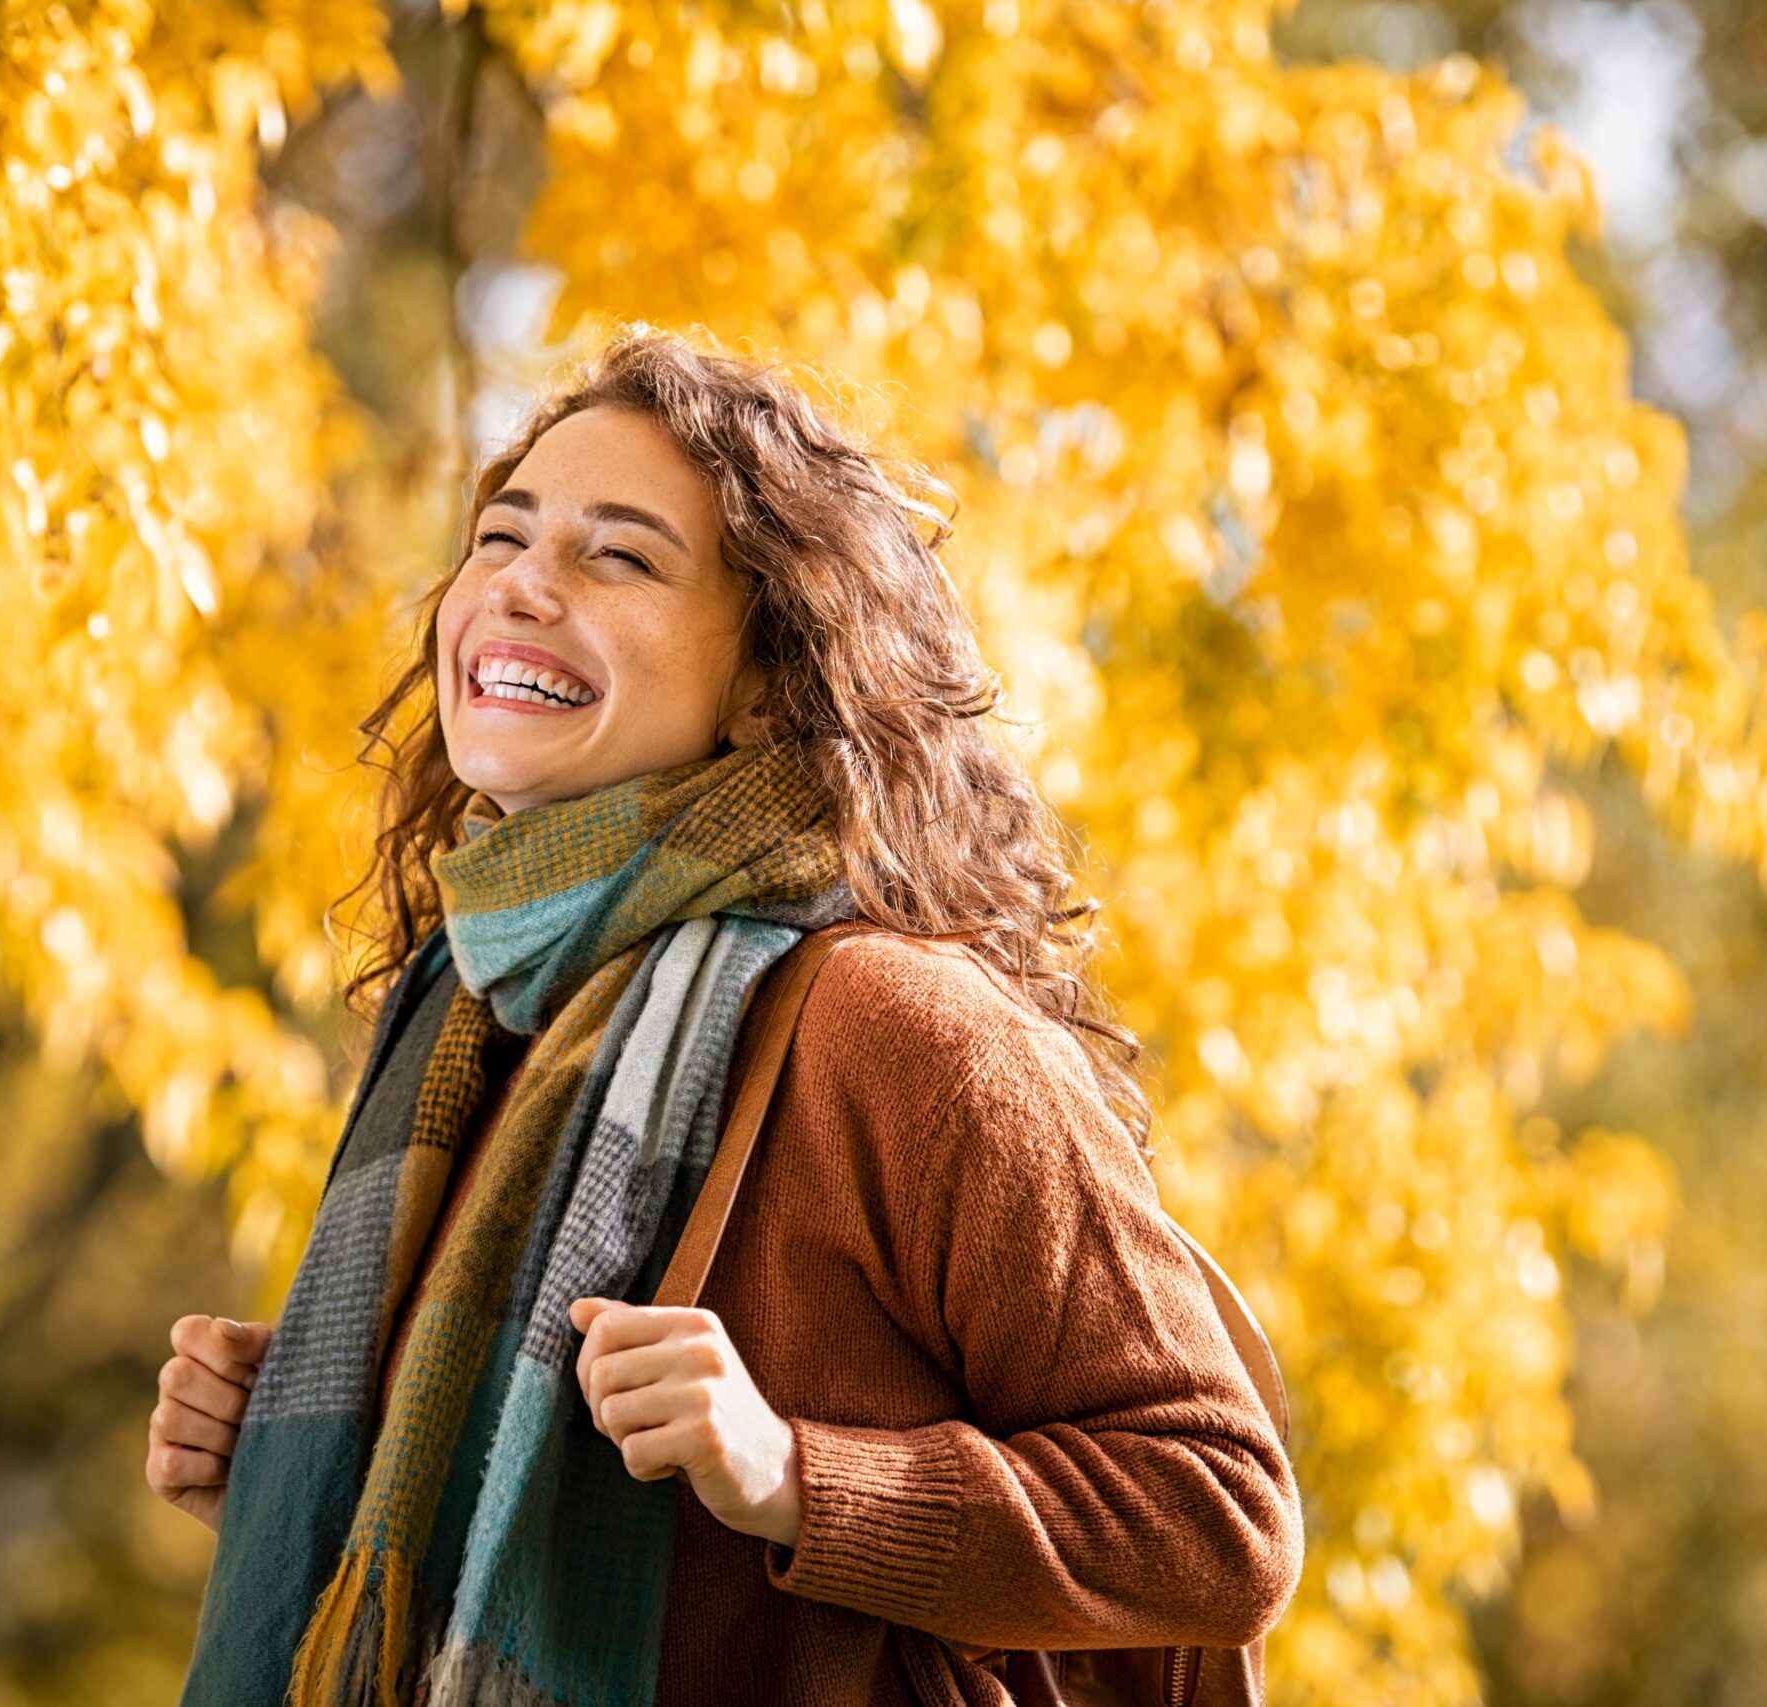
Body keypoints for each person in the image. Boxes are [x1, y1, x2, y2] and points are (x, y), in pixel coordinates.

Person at [151, 326, 1303, 1706]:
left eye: (618, 555)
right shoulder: (472, 1017)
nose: (521, 587)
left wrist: (797, 1478)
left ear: (771, 683)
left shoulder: (894, 1029)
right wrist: (304, 1461)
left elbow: (1219, 1512)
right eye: (502, 538)